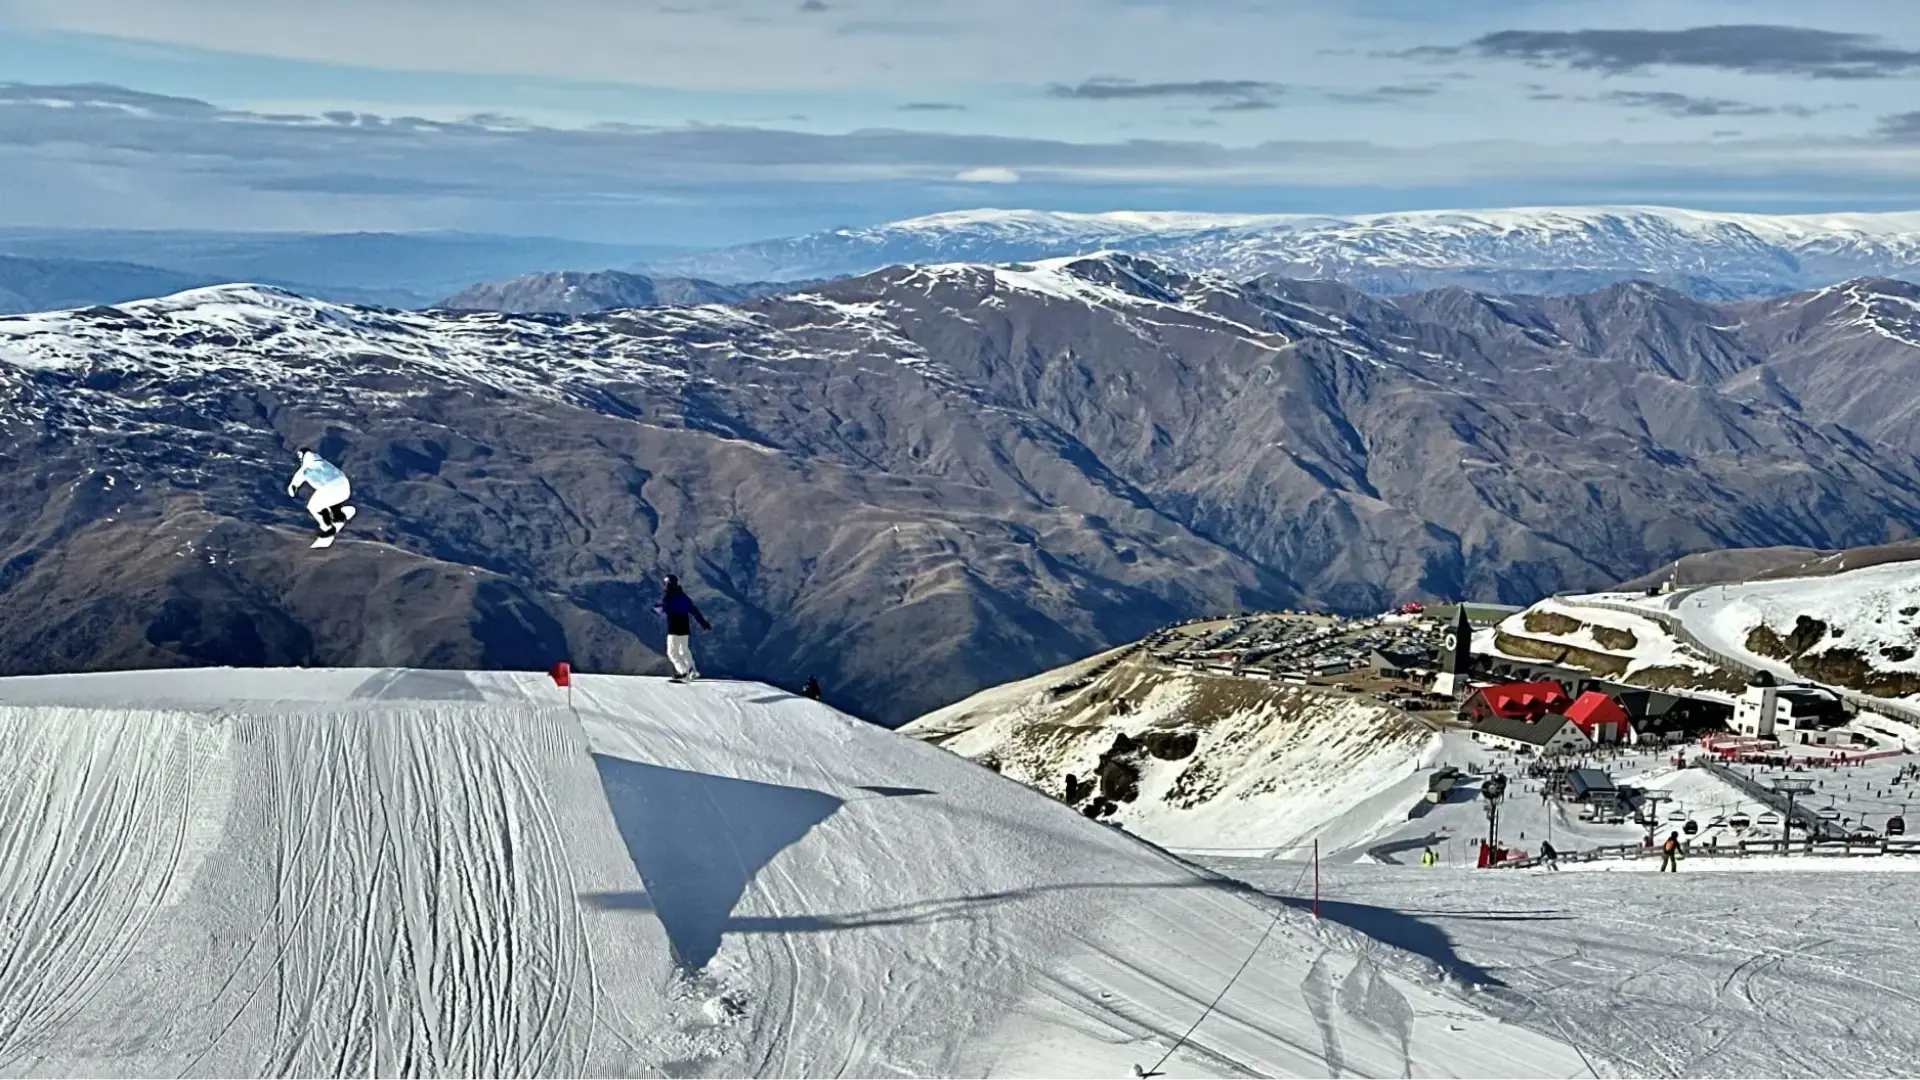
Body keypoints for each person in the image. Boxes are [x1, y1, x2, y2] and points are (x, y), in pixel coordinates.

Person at [654, 574, 710, 683]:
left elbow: (665, 608)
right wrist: (702, 622)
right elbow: (693, 610)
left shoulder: (668, 596)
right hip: (684, 624)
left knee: (672, 652)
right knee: (683, 649)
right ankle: (692, 670)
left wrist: (657, 608)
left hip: (674, 625)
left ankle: (683, 672)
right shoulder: (683, 596)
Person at [286, 447, 353, 537]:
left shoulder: (306, 467)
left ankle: (327, 527)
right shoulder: (322, 462)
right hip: (344, 484)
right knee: (330, 499)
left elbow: (297, 479)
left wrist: (292, 487)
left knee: (313, 507)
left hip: (330, 486)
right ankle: (339, 517)